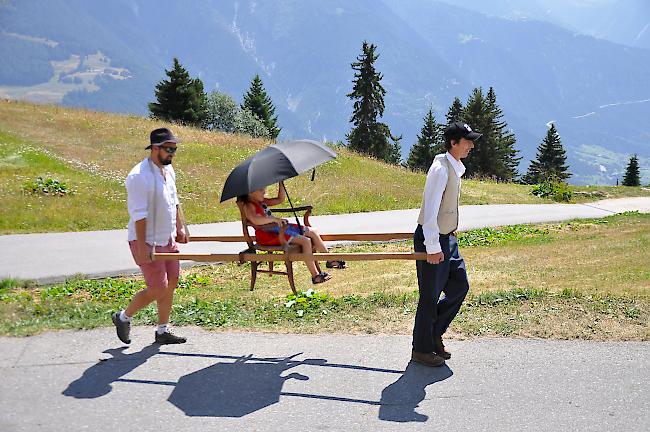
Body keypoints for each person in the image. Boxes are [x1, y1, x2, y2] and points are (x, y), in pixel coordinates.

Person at [411, 121, 481, 367]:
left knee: (460, 286)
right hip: (433, 239)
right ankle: (421, 349)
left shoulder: (454, 167)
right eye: (467, 141)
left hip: (447, 238)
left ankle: (433, 334)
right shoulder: (440, 169)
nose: (471, 146)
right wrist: (432, 247)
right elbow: (430, 209)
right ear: (454, 143)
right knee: (429, 296)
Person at [112, 127, 188, 345]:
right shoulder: (138, 176)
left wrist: (180, 228)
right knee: (158, 287)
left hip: (167, 238)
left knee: (172, 281)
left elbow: (174, 201)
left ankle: (162, 330)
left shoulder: (168, 170)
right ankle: (123, 317)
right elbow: (139, 214)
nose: (172, 153)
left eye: (174, 148)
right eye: (168, 149)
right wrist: (144, 246)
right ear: (155, 148)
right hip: (146, 240)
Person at [237, 182, 345, 284]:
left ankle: (330, 259)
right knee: (306, 241)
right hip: (270, 235)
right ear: (250, 192)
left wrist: (281, 183)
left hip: (278, 229)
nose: (264, 191)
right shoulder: (249, 205)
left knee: (312, 231)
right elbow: (255, 220)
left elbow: (280, 199)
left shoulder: (261, 202)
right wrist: (274, 220)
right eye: (261, 190)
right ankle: (315, 275)